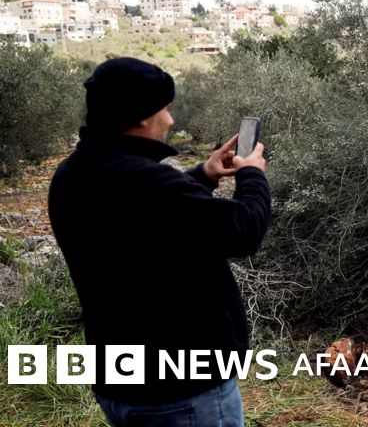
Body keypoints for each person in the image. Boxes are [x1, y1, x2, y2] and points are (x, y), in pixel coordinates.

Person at [48, 57, 271, 426]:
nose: (170, 120)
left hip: (122, 384)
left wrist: (204, 174)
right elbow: (243, 230)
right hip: (182, 394)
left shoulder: (73, 173)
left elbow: (141, 219)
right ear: (139, 117)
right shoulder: (148, 182)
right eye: (165, 109)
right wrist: (252, 176)